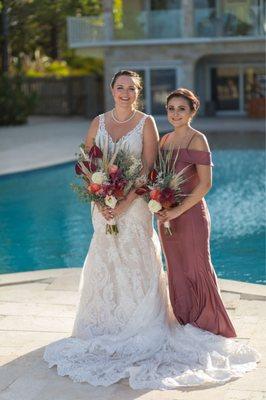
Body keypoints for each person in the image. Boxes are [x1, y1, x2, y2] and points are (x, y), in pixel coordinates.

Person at [44, 73, 259, 390]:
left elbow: (148, 170)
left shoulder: (148, 124)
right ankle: (103, 323)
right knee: (105, 260)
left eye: (131, 88)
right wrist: (99, 196)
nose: (125, 93)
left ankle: (146, 322)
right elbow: (87, 163)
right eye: (120, 87)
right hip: (102, 208)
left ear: (138, 93)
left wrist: (125, 201)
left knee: (137, 259)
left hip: (134, 207)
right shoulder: (98, 123)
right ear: (111, 90)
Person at [157, 88, 236, 338]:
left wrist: (177, 210)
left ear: (193, 111)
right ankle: (185, 318)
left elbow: (205, 184)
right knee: (176, 267)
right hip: (166, 215)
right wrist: (160, 206)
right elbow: (158, 179)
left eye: (181, 109)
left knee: (197, 266)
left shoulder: (198, 139)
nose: (175, 114)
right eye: (171, 108)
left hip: (190, 215)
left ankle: (209, 322)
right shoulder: (165, 140)